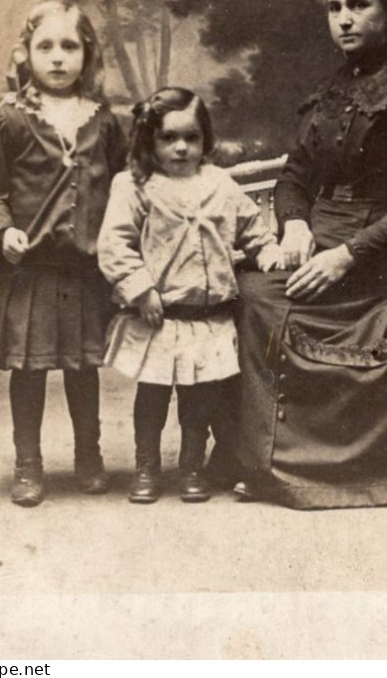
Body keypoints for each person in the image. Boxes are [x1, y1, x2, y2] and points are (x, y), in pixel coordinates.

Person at [234, 0, 387, 509]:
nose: (345, 19)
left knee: (261, 299)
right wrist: (295, 223)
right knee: (236, 285)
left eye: (359, 5)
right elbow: (295, 176)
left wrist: (347, 255)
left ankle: (300, 463)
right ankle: (258, 453)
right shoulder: (333, 91)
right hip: (324, 240)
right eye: (335, 8)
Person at [0, 1, 127, 507]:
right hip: (29, 270)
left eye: (69, 47)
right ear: (26, 54)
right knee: (29, 370)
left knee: (83, 369)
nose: (58, 58)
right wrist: (1, 229)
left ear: (87, 54)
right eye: (46, 47)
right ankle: (28, 464)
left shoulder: (104, 121)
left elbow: (124, 184)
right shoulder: (10, 119)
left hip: (84, 270)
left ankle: (89, 456)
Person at [97, 87, 281, 504]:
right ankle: (146, 469)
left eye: (192, 137)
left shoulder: (219, 183)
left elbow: (251, 226)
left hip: (209, 317)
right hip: (160, 316)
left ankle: (192, 469)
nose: (181, 148)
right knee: (153, 398)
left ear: (205, 139)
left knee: (199, 402)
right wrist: (140, 289)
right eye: (168, 138)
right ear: (149, 140)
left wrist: (267, 251)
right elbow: (114, 245)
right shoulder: (135, 185)